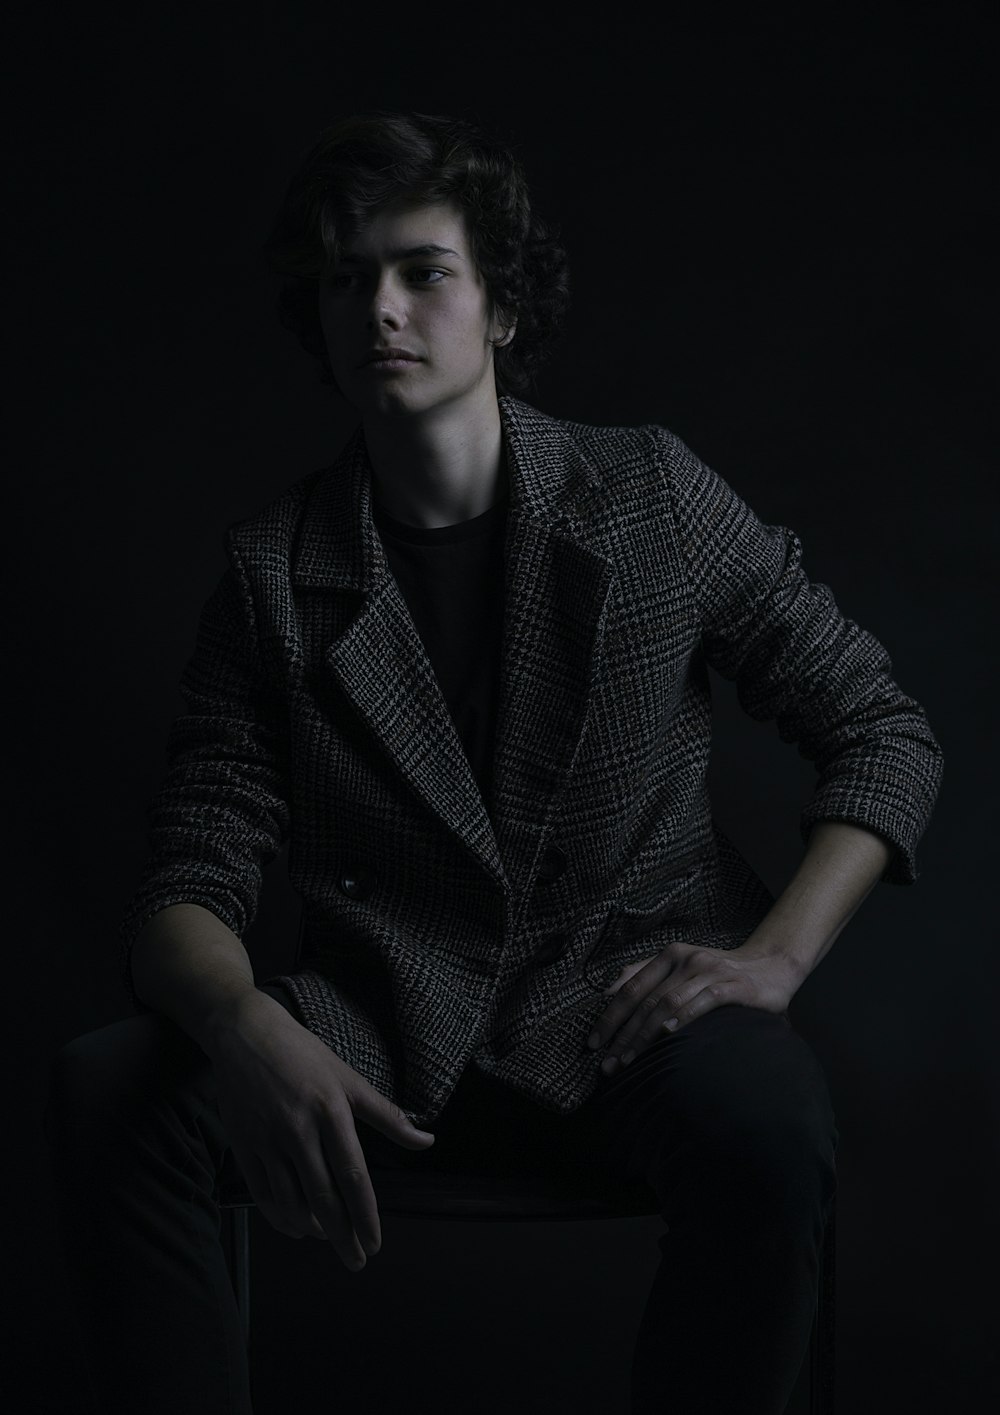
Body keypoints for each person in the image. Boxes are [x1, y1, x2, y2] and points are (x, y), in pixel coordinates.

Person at [45, 110, 943, 1415]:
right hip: (385, 1022)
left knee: (774, 1121)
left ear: (504, 308)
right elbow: (195, 867)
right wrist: (241, 1024)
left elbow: (881, 732)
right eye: (348, 279)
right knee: (110, 1092)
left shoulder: (653, 500)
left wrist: (777, 959)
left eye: (424, 271)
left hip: (630, 1005)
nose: (382, 310)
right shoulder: (270, 575)